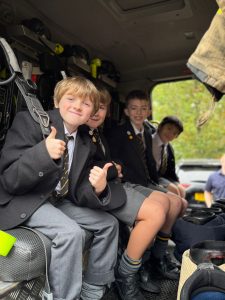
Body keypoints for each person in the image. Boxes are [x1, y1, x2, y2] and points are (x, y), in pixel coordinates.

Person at [0, 76, 120, 300]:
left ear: (91, 112)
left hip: (57, 199)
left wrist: (98, 188)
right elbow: (9, 179)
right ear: (56, 102)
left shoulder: (85, 141)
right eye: (71, 98)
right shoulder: (31, 122)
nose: (77, 106)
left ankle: (93, 290)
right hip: (26, 198)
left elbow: (77, 187)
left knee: (109, 224)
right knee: (70, 233)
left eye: (86, 103)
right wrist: (42, 154)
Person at [82, 85, 183, 300]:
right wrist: (114, 170)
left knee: (172, 202)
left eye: (101, 108)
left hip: (120, 182)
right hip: (115, 184)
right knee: (157, 210)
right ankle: (128, 273)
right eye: (89, 106)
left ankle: (153, 258)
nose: (94, 112)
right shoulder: (106, 133)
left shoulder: (101, 134)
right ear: (126, 111)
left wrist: (114, 166)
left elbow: (113, 160)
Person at [106, 89, 187, 213]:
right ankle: (161, 232)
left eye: (143, 109)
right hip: (130, 183)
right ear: (127, 111)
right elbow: (115, 161)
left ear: (149, 112)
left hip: (147, 181)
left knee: (180, 202)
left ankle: (167, 232)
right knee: (169, 203)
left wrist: (156, 183)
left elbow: (150, 163)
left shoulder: (148, 133)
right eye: (134, 108)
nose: (139, 113)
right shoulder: (118, 133)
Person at [151, 115, 186, 198]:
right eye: (169, 129)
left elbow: (170, 170)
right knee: (174, 191)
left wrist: (176, 181)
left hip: (160, 177)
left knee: (182, 190)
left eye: (174, 133)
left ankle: (178, 209)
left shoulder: (168, 147)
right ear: (160, 127)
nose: (170, 134)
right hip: (150, 177)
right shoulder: (150, 141)